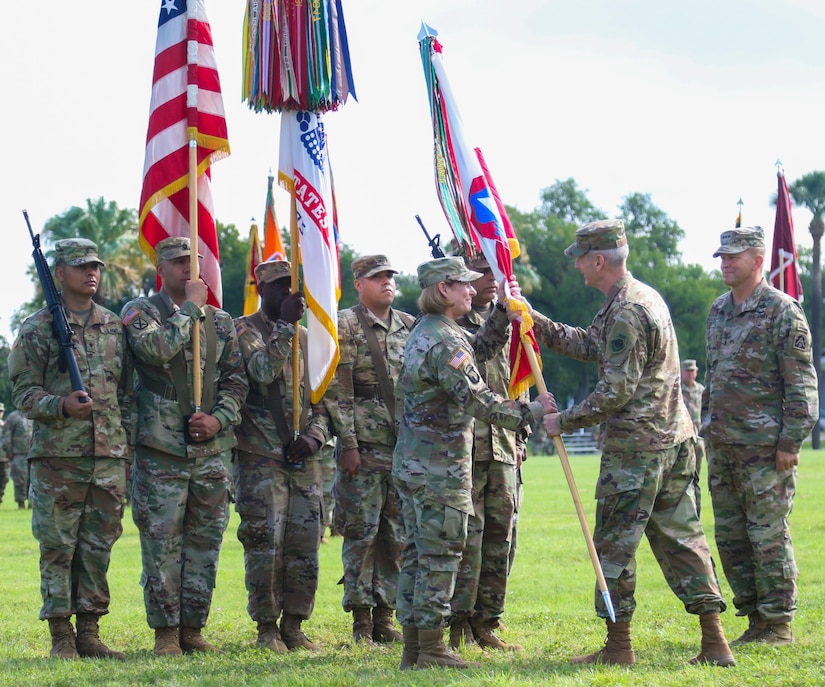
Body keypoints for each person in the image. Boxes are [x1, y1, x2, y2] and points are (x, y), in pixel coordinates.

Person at [536, 219, 735, 667]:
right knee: (685, 540)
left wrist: (560, 421)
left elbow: (614, 392)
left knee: (613, 546)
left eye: (581, 259)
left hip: (637, 452)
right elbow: (593, 345)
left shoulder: (625, 310)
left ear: (599, 260)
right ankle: (714, 642)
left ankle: (619, 647)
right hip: (674, 442)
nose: (578, 268)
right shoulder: (638, 298)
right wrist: (536, 323)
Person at [393, 256, 556, 670]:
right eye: (463, 284)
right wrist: (532, 412)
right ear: (442, 290)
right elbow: (478, 400)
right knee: (441, 555)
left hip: (416, 465)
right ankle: (429, 648)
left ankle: (415, 646)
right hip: (439, 469)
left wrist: (502, 310)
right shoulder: (444, 341)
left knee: (417, 555)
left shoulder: (428, 331)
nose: (472, 288)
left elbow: (480, 350)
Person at [122, 236, 247, 656]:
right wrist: (190, 308)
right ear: (162, 268)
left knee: (205, 544)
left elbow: (236, 381)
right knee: (162, 546)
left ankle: (193, 628)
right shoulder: (140, 312)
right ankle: (165, 633)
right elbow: (155, 350)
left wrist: (220, 418)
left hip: (211, 452)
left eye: (193, 262)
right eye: (177, 263)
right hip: (161, 450)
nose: (188, 270)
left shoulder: (222, 322)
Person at [8, 238, 131, 660]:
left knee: (99, 546)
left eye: (95, 265)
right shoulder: (37, 327)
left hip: (108, 456)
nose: (91, 273)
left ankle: (90, 632)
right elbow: (23, 394)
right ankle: (61, 635)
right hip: (59, 458)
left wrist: (123, 448)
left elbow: (126, 393)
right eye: (80, 267)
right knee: (58, 547)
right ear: (59, 273)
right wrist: (59, 405)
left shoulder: (114, 325)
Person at [703, 226, 817, 646]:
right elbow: (714, 379)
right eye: (722, 256)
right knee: (731, 536)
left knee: (767, 535)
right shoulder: (718, 310)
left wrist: (790, 442)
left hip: (766, 451)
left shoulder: (782, 310)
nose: (725, 263)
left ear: (757, 259)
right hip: (723, 446)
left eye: (733, 256)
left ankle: (778, 623)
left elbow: (801, 384)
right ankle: (754, 618)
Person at [233, 259, 331, 652]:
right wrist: (285, 326)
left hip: (303, 459)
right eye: (278, 287)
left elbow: (323, 399)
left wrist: (316, 437)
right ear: (261, 289)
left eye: (293, 287)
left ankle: (294, 624)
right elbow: (260, 372)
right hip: (261, 457)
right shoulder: (243, 330)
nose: (288, 294)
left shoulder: (309, 337)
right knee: (264, 543)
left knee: (304, 543)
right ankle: (266, 628)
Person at [325, 255, 414, 645]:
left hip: (401, 449)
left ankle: (385, 615)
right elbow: (338, 390)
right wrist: (347, 444)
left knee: (394, 535)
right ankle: (361, 619)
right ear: (359, 283)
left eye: (390, 276)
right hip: (362, 448)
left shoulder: (410, 326)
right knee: (361, 535)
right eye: (378, 277)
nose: (387, 283)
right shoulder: (344, 325)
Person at [448, 253, 528, 652]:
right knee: (468, 539)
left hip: (504, 448)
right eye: (482, 273)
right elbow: (476, 359)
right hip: (469, 449)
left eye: (495, 273)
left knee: (501, 539)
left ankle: (487, 621)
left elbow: (518, 381)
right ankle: (458, 620)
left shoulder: (511, 323)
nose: (491, 280)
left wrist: (522, 440)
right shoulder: (450, 328)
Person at [1, 406, 34, 509]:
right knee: (20, 480)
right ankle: (21, 503)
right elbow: (6, 435)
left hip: (33, 454)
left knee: (33, 480)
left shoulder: (33, 415)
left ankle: (31, 503)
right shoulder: (13, 417)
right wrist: (8, 451)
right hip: (19, 454)